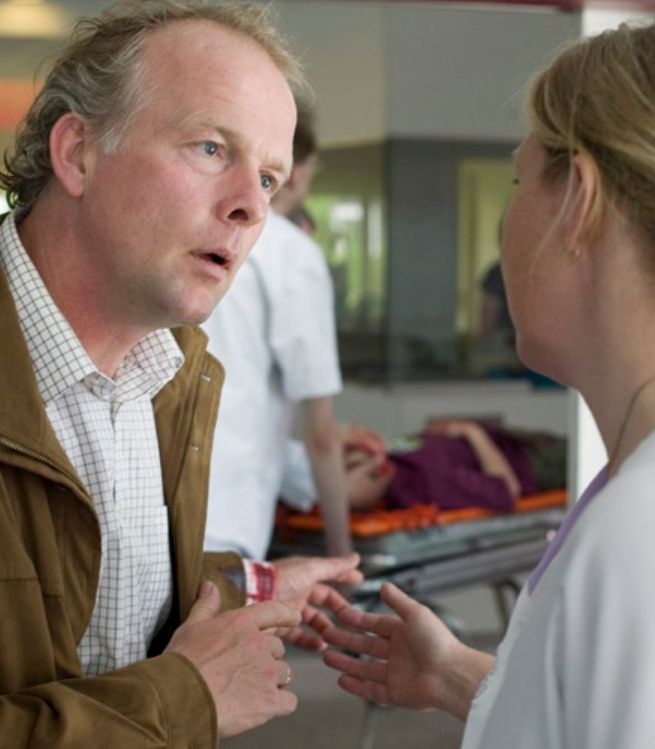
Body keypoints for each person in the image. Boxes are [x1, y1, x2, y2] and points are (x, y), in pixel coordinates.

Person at [0, 2, 361, 746]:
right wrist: (185, 699)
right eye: (210, 147)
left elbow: (104, 590)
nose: (251, 206)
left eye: (269, 177)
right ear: (79, 153)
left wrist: (251, 584)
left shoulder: (170, 374)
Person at [322, 18, 655, 749]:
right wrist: (461, 677)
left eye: (520, 181)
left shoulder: (646, 531)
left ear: (578, 201)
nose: (508, 219)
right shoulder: (642, 489)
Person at [203, 102, 352, 559]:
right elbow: (321, 434)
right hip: (227, 522)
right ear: (299, 171)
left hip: (163, 507)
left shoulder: (198, 238)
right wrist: (342, 555)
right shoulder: (292, 255)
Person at [281, 419, 565, 513]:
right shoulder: (425, 485)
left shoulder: (398, 455)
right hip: (536, 463)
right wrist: (472, 432)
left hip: (521, 440)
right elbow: (507, 489)